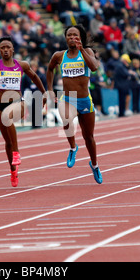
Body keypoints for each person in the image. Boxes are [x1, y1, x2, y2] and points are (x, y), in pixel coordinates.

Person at [0, 36, 46, 187]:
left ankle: (17, 153)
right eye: (2, 47)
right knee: (7, 143)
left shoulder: (21, 65)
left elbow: (35, 77)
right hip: (0, 105)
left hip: (18, 102)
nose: (5, 50)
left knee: (7, 117)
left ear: (12, 50)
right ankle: (12, 171)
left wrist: (44, 93)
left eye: (7, 47)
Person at [46, 24, 103, 184]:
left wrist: (82, 49)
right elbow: (50, 69)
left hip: (85, 100)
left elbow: (93, 67)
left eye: (75, 35)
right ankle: (72, 147)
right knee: (65, 118)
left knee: (89, 137)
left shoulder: (87, 52)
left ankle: (95, 164)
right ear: (65, 38)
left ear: (80, 38)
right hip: (68, 98)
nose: (72, 38)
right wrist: (50, 89)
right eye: (69, 35)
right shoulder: (59, 56)